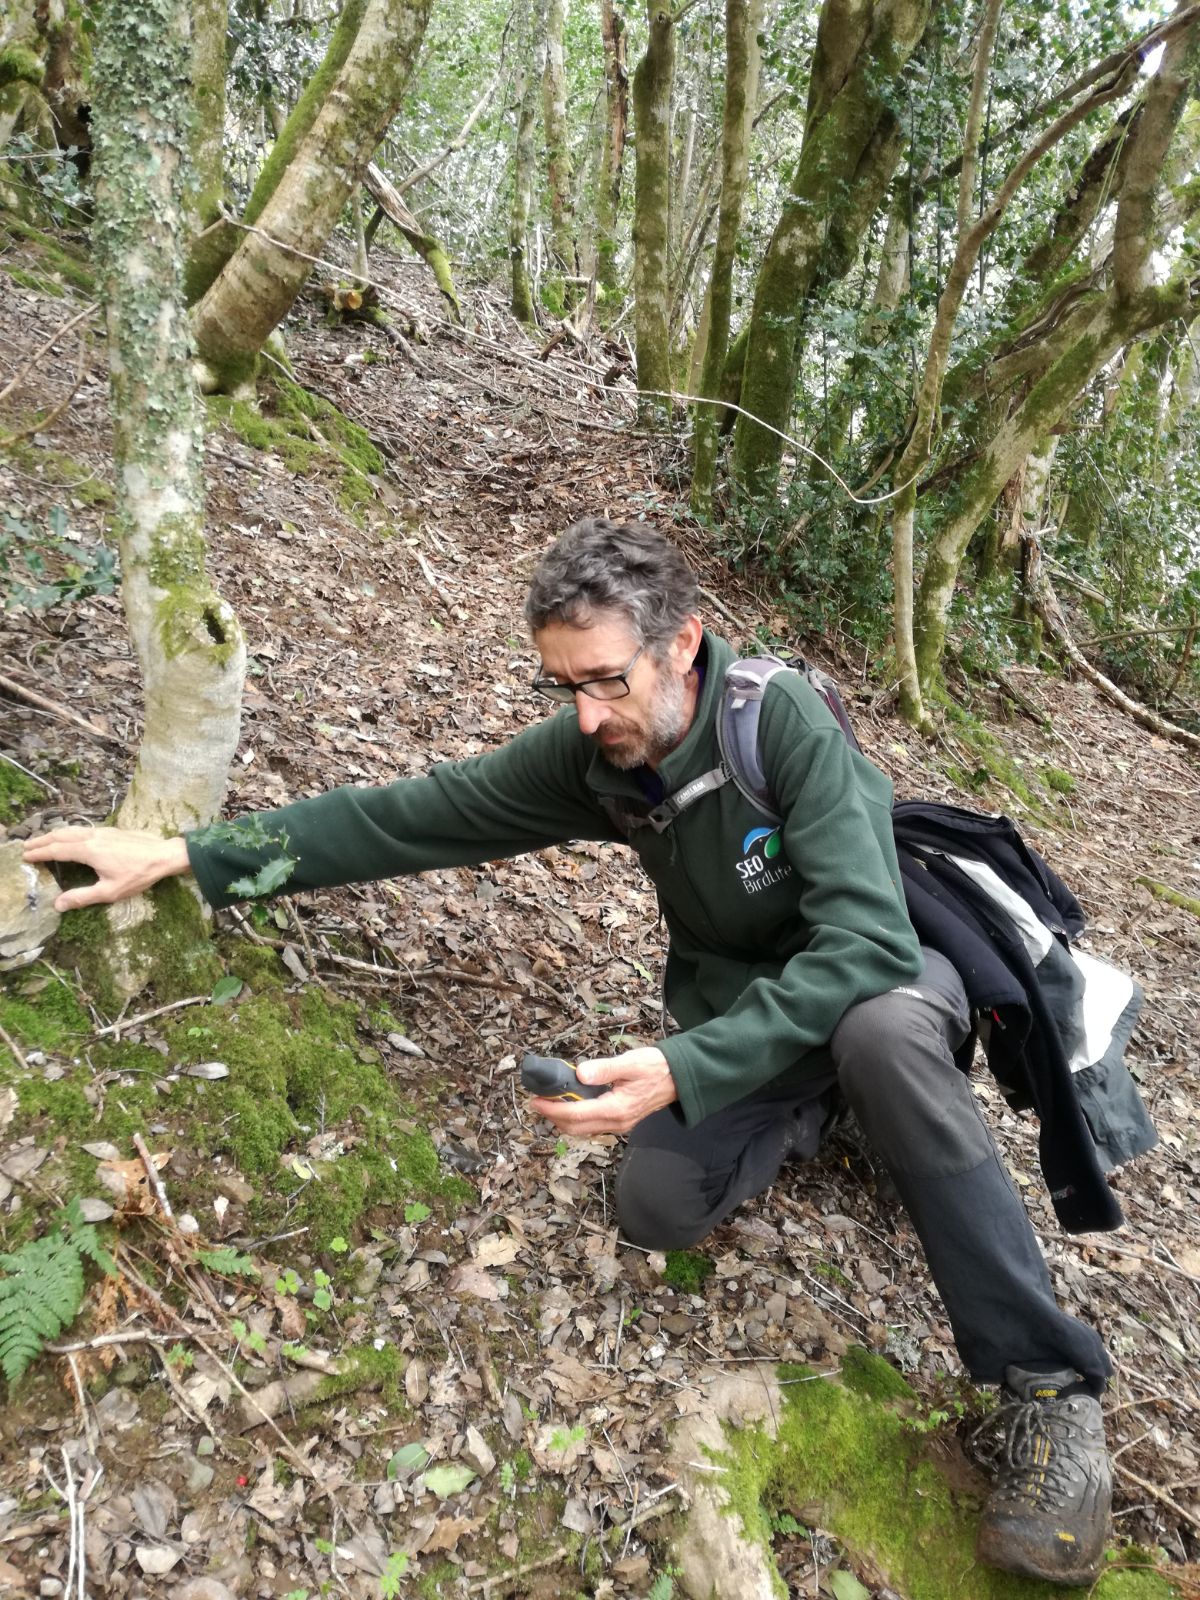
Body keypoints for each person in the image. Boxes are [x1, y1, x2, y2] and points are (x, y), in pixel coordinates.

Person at [24, 518, 1113, 1585]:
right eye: (565, 689)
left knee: (876, 1033)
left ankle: (1049, 1387)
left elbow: (868, 940)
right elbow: (409, 815)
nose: (587, 716)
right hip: (753, 1018)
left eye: (606, 680)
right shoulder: (598, 754)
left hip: (884, 977)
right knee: (656, 1207)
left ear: (682, 643)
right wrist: (188, 854)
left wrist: (684, 1066)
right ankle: (827, 1111)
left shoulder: (775, 723)